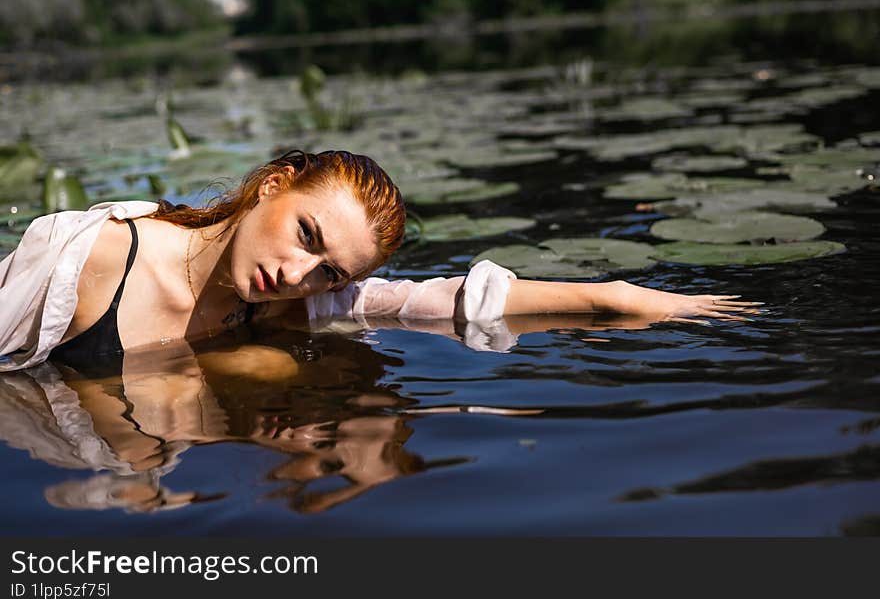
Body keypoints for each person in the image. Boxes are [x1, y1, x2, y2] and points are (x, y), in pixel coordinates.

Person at [0, 149, 758, 372]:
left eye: (331, 273)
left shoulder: (276, 301)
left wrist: (614, 301)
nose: (301, 275)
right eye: (306, 235)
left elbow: (426, 302)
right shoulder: (98, 254)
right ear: (272, 186)